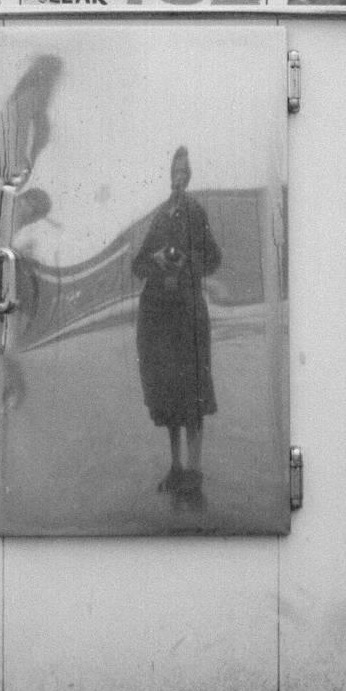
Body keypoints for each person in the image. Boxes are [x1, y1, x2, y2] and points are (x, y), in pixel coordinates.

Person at [133, 147, 222, 497]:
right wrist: (156, 259)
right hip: (161, 320)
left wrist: (186, 262)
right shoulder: (160, 217)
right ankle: (176, 468)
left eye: (185, 170)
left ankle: (195, 474)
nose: (179, 176)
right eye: (175, 170)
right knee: (170, 395)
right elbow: (138, 265)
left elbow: (213, 257)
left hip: (188, 317)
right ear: (169, 173)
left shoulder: (195, 212)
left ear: (191, 175)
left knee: (193, 395)